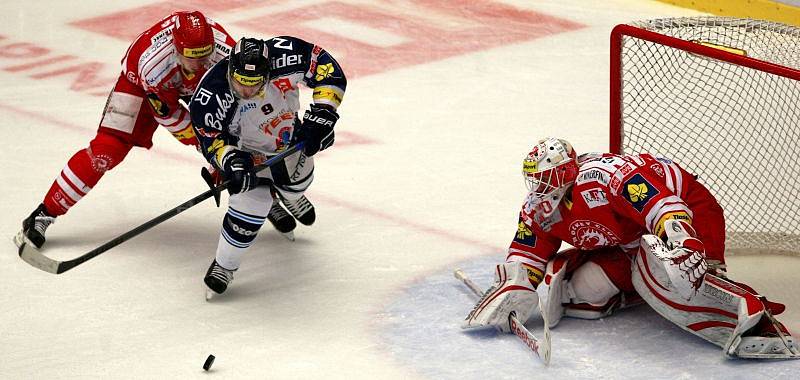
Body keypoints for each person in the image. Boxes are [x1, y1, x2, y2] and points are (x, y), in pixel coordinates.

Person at [463, 137, 799, 359]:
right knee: (582, 291)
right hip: (628, 241)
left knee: (678, 278)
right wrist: (517, 282)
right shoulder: (539, 206)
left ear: (566, 172)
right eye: (535, 180)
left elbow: (661, 205)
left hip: (689, 208)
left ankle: (757, 320)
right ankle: (633, 288)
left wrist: (680, 237)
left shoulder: (605, 176)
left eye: (547, 179)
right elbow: (528, 250)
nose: (539, 187)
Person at [14, 11, 236, 251]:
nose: (201, 64)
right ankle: (44, 214)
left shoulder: (227, 54)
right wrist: (209, 148)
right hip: (142, 87)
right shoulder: (153, 65)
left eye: (205, 54)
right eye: (193, 57)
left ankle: (267, 201)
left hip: (202, 86)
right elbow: (168, 114)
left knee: (242, 138)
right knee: (106, 150)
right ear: (175, 48)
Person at [188, 36, 346, 297]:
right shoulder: (211, 94)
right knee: (249, 209)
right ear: (230, 70)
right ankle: (225, 265)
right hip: (247, 153)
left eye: (254, 84)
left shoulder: (286, 54)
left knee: (298, 183)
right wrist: (231, 162)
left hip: (288, 139)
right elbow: (209, 138)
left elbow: (327, 69)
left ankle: (290, 195)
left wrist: (323, 115)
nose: (246, 91)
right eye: (240, 83)